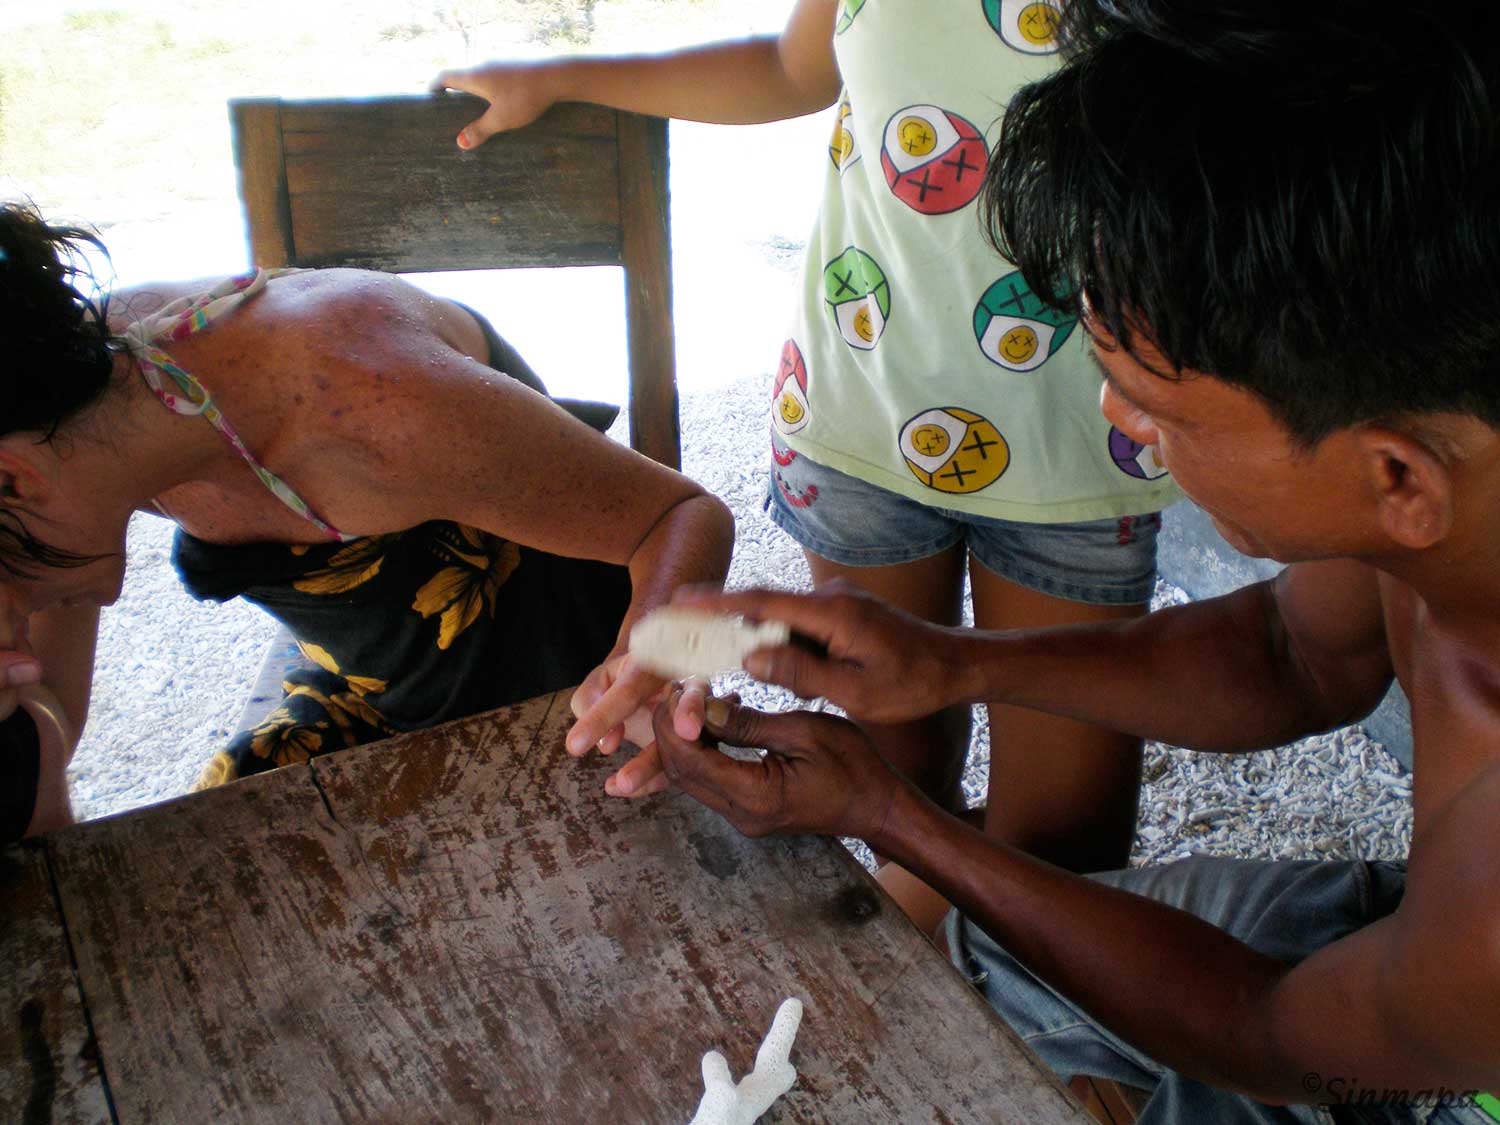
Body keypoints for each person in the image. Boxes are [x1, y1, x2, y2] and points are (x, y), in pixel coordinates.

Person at [646, 2, 1500, 1121]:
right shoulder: (1442, 459)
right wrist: (956, 665)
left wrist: (902, 819)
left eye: (1155, 406)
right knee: (981, 954)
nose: (1117, 420)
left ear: (1398, 480)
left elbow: (1272, 1030)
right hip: (1411, 952)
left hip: (1424, 1049)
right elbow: (1292, 651)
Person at [433, 0, 1179, 875]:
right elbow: (792, 67)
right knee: (895, 801)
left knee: (1066, 851)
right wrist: (562, 75)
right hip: (862, 417)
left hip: (1086, 441)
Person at [0, 201, 733, 842]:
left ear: (12, 478)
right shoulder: (81, 421)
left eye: (7, 599)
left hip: (565, 685)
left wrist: (650, 661)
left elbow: (683, 516)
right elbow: (51, 719)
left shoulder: (372, 402)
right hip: (371, 683)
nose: (15, 637)